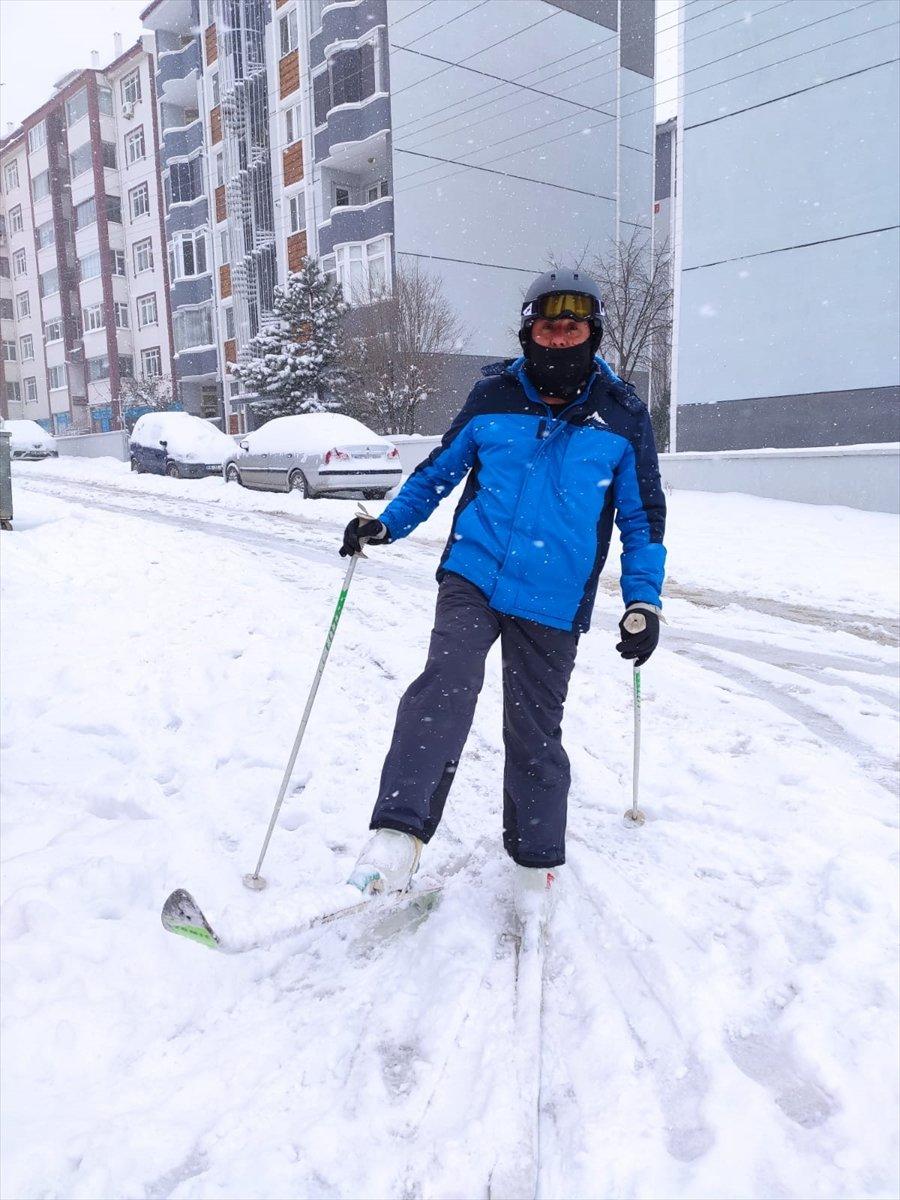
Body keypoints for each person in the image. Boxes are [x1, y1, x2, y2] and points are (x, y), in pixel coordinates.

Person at [338, 269, 666, 908]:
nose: (560, 336)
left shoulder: (623, 415)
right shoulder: (493, 397)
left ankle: (534, 861)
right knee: (445, 684)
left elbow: (642, 517)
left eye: (573, 326)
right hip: (475, 573)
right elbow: (437, 473)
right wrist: (386, 524)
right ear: (528, 331)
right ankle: (396, 835)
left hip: (556, 593)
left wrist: (642, 601)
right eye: (548, 325)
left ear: (592, 334)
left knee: (535, 728)